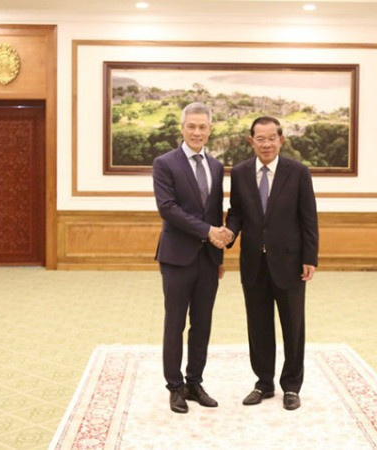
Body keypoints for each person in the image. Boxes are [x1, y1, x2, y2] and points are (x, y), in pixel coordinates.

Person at [225, 116, 319, 411]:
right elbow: (237, 212)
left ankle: (291, 386)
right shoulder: (239, 173)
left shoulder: (298, 172)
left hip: (289, 262)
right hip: (253, 262)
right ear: (251, 141)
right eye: (260, 139)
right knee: (258, 325)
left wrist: (309, 258)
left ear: (281, 139)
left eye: (271, 138)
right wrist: (228, 234)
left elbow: (308, 218)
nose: (266, 144)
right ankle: (263, 383)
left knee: (293, 326)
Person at [152, 102, 230, 414]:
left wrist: (219, 254)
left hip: (208, 260)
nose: (197, 132)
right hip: (176, 257)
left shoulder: (216, 166)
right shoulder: (164, 163)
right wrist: (208, 231)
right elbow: (167, 208)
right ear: (182, 128)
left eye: (203, 127)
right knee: (175, 323)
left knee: (202, 323)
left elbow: (213, 212)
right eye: (192, 126)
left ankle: (195, 382)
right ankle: (175, 387)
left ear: (210, 131)